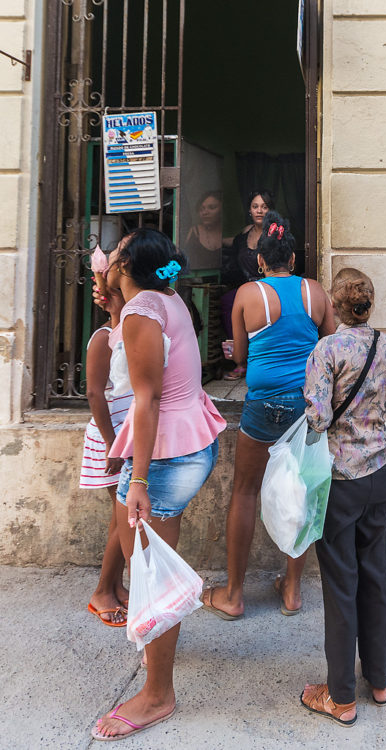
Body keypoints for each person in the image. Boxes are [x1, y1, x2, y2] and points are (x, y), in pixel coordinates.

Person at [90, 229, 226, 741]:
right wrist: (112, 289)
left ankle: (157, 694)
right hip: (185, 441)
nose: (110, 253)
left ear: (127, 265)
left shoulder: (145, 310)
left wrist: (139, 479)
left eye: (118, 249)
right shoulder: (162, 297)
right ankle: (160, 656)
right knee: (153, 564)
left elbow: (145, 400)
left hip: (166, 456)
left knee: (150, 575)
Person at [300, 268, 386, 727]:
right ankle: (380, 680)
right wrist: (381, 439)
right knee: (376, 577)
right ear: (369, 304)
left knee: (340, 586)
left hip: (341, 482)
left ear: (334, 305)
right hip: (380, 476)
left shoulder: (326, 350)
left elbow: (316, 419)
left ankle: (341, 697)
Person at [201, 211, 336, 620]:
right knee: (303, 491)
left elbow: (240, 356)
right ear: (293, 260)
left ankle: (235, 594)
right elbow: (328, 352)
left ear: (260, 261)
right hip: (304, 408)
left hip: (262, 407)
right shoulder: (316, 293)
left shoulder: (248, 294)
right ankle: (292, 590)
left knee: (244, 492)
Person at [80, 285, 133, 627]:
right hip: (110, 436)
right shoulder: (103, 338)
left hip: (125, 435)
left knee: (122, 516)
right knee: (122, 516)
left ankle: (115, 586)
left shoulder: (129, 330)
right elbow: (94, 394)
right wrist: (113, 443)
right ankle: (102, 593)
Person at [222, 189, 275, 379]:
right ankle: (240, 361)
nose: (259, 211)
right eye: (255, 207)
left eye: (264, 207)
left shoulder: (275, 234)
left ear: (271, 211)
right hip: (248, 288)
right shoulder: (244, 234)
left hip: (272, 287)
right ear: (250, 211)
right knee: (228, 301)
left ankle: (264, 361)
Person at [184, 190, 225, 271]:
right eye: (201, 209)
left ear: (223, 209)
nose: (205, 212)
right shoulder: (194, 232)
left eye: (212, 207)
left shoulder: (230, 233)